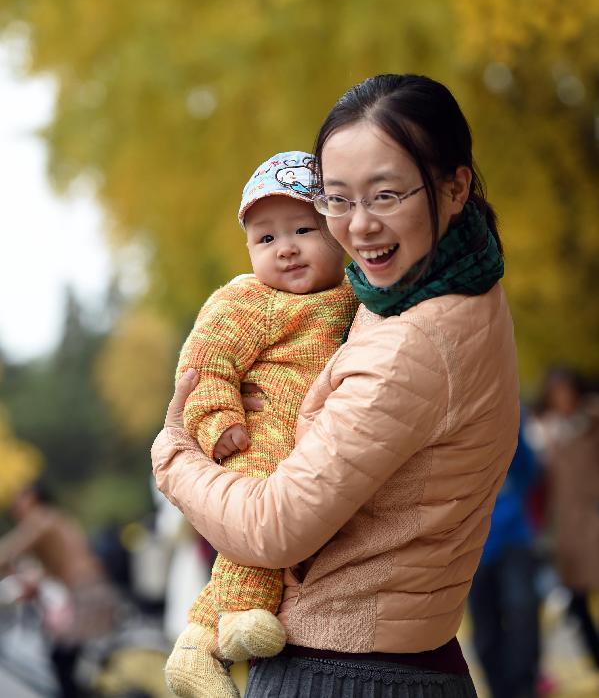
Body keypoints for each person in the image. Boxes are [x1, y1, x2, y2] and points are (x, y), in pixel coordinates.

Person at [153, 73, 520, 698]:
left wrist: (174, 455)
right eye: (338, 200)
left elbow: (274, 527)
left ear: (455, 187)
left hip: (346, 671)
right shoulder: (433, 285)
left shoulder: (416, 341)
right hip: (404, 659)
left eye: (385, 195)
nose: (359, 227)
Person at [165, 151, 358, 698]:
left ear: (337, 232)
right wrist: (217, 420)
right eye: (266, 239)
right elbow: (204, 364)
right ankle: (243, 613)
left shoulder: (354, 297)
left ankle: (196, 647)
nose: (287, 248)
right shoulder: (249, 299)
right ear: (250, 250)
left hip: (314, 439)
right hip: (257, 433)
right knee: (261, 521)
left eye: (303, 229)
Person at [0, 481, 117, 698]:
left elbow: (9, 552)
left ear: (32, 498)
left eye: (20, 498)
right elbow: (62, 562)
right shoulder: (57, 518)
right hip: (94, 590)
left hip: (87, 595)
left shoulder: (40, 519)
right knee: (68, 660)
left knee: (64, 660)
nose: (15, 505)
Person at [468, 423, 540, 698]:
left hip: (513, 536)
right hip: (473, 543)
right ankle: (501, 690)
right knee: (485, 627)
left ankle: (525, 687)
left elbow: (528, 468)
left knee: (523, 610)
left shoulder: (507, 412)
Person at [535, 367, 599, 671]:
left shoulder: (592, 423)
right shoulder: (547, 434)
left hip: (593, 518)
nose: (563, 398)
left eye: (567, 391)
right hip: (568, 530)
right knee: (576, 600)